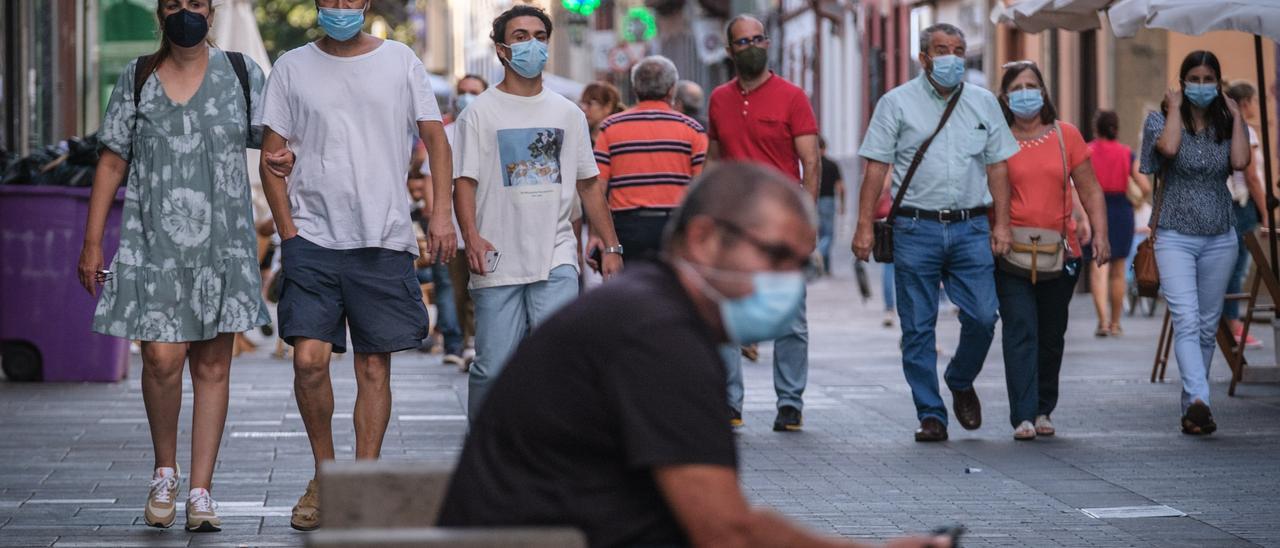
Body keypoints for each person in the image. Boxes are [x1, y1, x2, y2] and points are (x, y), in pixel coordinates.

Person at [438, 163, 951, 548]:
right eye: (775, 257)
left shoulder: (651, 306)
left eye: (800, 267)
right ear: (704, 239)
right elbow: (725, 533)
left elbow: (729, 521)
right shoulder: (657, 335)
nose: (790, 282)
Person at [77, 0, 289, 532]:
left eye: (195, 4)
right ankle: (163, 471)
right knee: (160, 361)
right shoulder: (137, 77)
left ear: (211, 12)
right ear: (160, 12)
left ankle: (200, 491)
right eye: (174, 4)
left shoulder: (242, 75)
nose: (185, 13)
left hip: (223, 246)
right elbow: (111, 159)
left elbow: (274, 149)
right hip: (154, 247)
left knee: (214, 366)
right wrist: (91, 242)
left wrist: (290, 186)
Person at [256, 0, 455, 530]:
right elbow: (270, 158)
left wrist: (440, 216)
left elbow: (435, 139)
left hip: (383, 235)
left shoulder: (401, 61)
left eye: (351, 0)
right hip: (313, 238)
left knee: (373, 365)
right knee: (308, 362)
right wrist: (289, 235)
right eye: (331, 1)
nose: (342, 8)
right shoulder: (292, 67)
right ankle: (326, 474)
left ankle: (360, 486)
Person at [453, 5, 624, 421]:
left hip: (556, 253)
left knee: (558, 363)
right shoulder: (478, 113)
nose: (532, 44)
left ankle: (550, 460)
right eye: (521, 36)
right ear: (501, 49)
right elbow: (464, 183)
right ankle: (487, 458)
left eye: (540, 36)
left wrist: (612, 245)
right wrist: (472, 237)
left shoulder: (568, 113)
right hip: (498, 257)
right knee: (493, 368)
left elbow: (588, 183)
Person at [853, 23, 1019, 442]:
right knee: (917, 328)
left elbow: (998, 166)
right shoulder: (895, 103)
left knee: (984, 315)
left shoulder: (983, 102)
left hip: (971, 227)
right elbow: (875, 166)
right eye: (942, 50)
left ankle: (960, 378)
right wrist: (862, 227)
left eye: (959, 50)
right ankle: (931, 413)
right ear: (924, 58)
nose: (952, 57)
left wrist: (1002, 223)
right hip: (914, 227)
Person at [708, 14, 821, 432]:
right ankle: (728, 403)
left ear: (769, 43)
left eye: (758, 39)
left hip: (780, 223)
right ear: (730, 50)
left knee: (790, 318)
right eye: (743, 42)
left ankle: (790, 403)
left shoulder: (793, 96)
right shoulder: (719, 98)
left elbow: (810, 161)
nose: (751, 46)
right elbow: (713, 159)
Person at [996, 61, 1110, 440]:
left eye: (1032, 85)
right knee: (1020, 329)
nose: (1025, 92)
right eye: (1017, 86)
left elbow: (1090, 187)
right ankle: (1023, 415)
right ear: (1005, 96)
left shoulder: (1066, 135)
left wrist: (1101, 233)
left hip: (1061, 251)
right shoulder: (995, 138)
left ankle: (1044, 408)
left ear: (1044, 92)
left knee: (1051, 334)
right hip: (1010, 251)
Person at [1142, 50, 1250, 435]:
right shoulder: (1159, 120)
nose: (1201, 86)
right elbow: (1168, 150)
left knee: (1206, 326)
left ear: (1218, 84)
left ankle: (1193, 408)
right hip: (1174, 234)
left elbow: (1239, 162)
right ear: (1182, 81)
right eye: (1195, 79)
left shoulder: (1226, 123)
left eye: (1209, 80)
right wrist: (1174, 109)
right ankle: (1201, 397)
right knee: (1186, 320)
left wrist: (1237, 117)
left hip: (1221, 234)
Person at [593, 55, 708, 261]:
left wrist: (597, 237)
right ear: (672, 89)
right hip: (674, 228)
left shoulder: (610, 128)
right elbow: (702, 189)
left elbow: (598, 189)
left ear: (635, 88)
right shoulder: (693, 129)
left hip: (626, 230)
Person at [1087, 110, 1150, 338]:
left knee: (1098, 268)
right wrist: (1137, 201)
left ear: (1097, 129)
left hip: (1096, 209)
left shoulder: (1088, 151)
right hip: (1122, 210)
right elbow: (1145, 186)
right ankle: (1115, 324)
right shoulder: (1126, 153)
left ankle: (1102, 322)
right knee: (1118, 270)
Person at [1223, 81, 1269, 349]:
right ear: (1243, 104)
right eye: (1253, 101)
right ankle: (1233, 324)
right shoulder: (1246, 132)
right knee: (1238, 266)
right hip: (1243, 204)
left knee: (1230, 263)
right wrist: (1265, 212)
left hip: (1230, 202)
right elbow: (1252, 176)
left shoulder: (1227, 129)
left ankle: (1230, 322)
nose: (1255, 106)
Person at [817, 136, 845, 275]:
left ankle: (825, 268)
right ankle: (819, 255)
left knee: (819, 234)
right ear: (825, 148)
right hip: (828, 201)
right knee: (828, 235)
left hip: (814, 201)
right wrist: (842, 204)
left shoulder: (811, 164)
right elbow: (841, 187)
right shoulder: (832, 165)